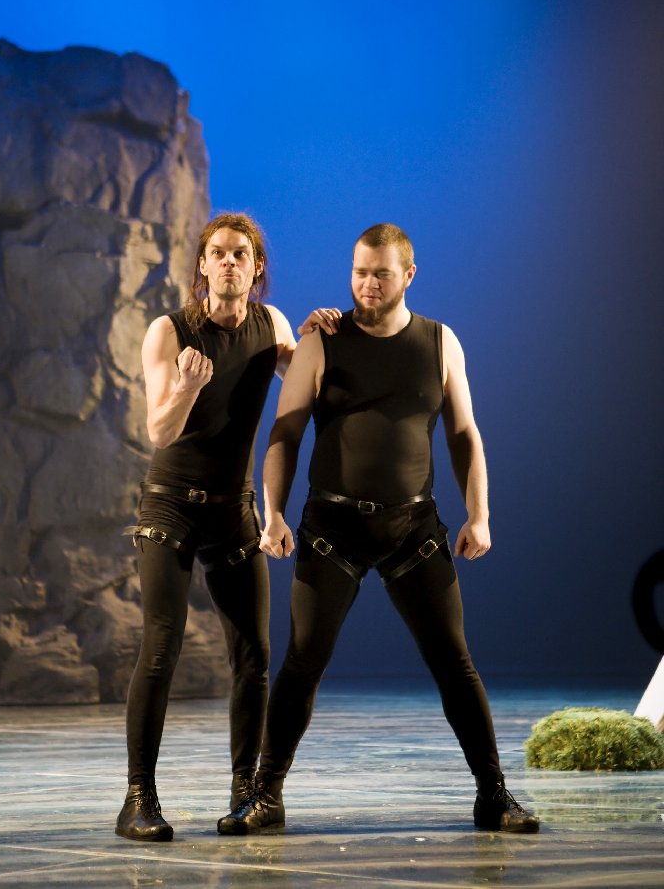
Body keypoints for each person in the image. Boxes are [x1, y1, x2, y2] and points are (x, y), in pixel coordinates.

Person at [218, 222, 540, 836]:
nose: (367, 284)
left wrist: (479, 516)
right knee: (302, 662)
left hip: (412, 527)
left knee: (454, 662)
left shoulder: (440, 342)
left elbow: (464, 434)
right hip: (331, 528)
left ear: (408, 275)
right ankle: (265, 796)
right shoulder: (322, 340)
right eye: (359, 272)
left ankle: (493, 795)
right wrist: (274, 513)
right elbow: (284, 433)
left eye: (381, 274)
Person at [115, 211, 341, 842]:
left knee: (254, 656)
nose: (229, 262)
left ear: (256, 266)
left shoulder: (271, 325)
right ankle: (138, 800)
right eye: (218, 253)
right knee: (161, 648)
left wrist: (321, 337)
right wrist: (187, 386)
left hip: (232, 507)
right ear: (203, 264)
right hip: (170, 506)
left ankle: (248, 793)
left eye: (241, 253)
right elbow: (159, 431)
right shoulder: (170, 331)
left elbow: (308, 383)